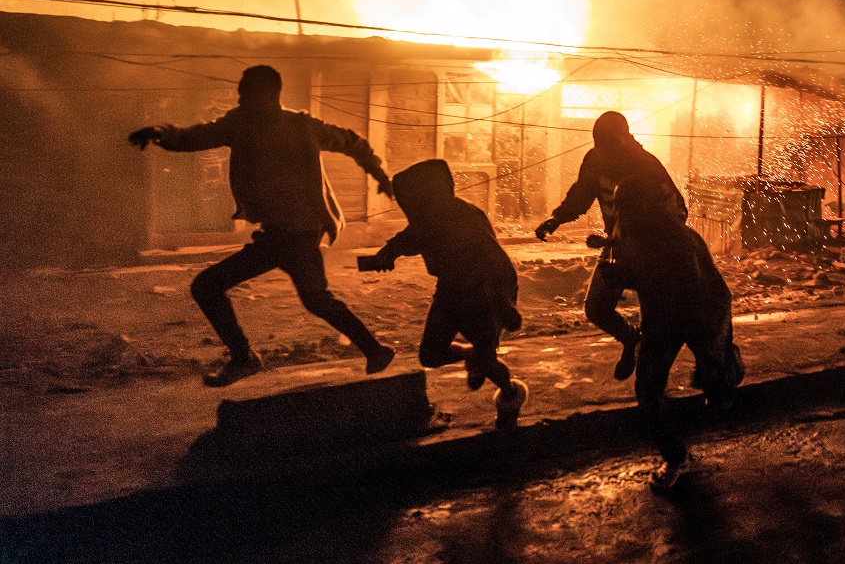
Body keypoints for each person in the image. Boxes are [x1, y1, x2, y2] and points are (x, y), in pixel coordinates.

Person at [128, 65, 396, 387]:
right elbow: (194, 136)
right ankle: (374, 350)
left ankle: (245, 359)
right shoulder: (241, 124)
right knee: (316, 299)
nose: (239, 96)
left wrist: (381, 176)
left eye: (245, 90)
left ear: (267, 93)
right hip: (287, 233)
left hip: (294, 235)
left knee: (208, 287)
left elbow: (352, 142)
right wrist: (161, 132)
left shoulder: (297, 125)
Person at [359, 159, 528, 428]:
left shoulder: (462, 218)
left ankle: (510, 395)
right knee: (430, 355)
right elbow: (408, 238)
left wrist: (502, 304)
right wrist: (386, 254)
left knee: (487, 362)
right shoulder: (430, 218)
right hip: (451, 289)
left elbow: (493, 265)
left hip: (485, 291)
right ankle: (471, 355)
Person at [602, 175, 744, 493]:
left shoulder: (673, 238)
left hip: (701, 311)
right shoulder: (637, 231)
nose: (620, 214)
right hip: (668, 316)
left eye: (625, 207)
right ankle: (676, 457)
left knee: (710, 378)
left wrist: (625, 276)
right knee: (649, 391)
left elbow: (672, 283)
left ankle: (725, 373)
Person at [534, 111, 687, 381]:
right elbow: (581, 193)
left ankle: (652, 375)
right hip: (617, 246)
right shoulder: (595, 161)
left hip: (652, 250)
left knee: (656, 317)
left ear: (625, 139)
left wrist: (663, 241)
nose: (602, 152)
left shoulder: (646, 166)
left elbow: (677, 207)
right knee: (596, 308)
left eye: (608, 145)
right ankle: (631, 339)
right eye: (598, 145)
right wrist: (557, 219)